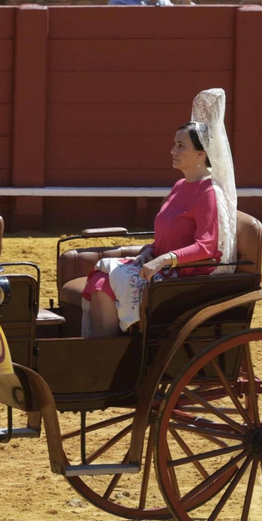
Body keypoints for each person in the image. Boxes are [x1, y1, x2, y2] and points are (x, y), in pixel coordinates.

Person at [83, 90, 236, 337]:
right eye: (174, 144)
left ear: (201, 154)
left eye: (180, 146)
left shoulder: (209, 192)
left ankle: (110, 359)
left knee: (103, 283)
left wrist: (163, 259)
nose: (172, 150)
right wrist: (149, 251)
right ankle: (106, 357)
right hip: (161, 266)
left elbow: (207, 246)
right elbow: (169, 235)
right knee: (99, 280)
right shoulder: (180, 186)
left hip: (184, 277)